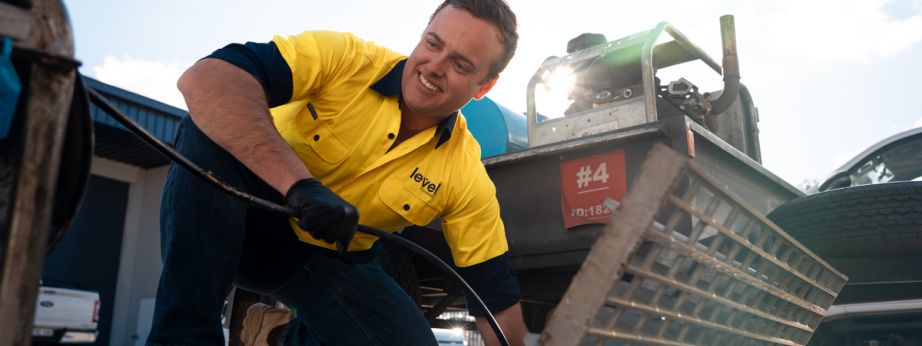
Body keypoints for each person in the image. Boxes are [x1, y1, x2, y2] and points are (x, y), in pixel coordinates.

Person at [146, 0, 527, 345]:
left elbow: (493, 296)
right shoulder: (347, 59)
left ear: (484, 86)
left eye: (460, 65)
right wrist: (298, 184)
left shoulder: (465, 174)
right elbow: (206, 77)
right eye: (433, 43)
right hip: (232, 214)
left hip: (319, 263)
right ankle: (183, 336)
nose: (435, 67)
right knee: (212, 123)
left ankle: (276, 338)